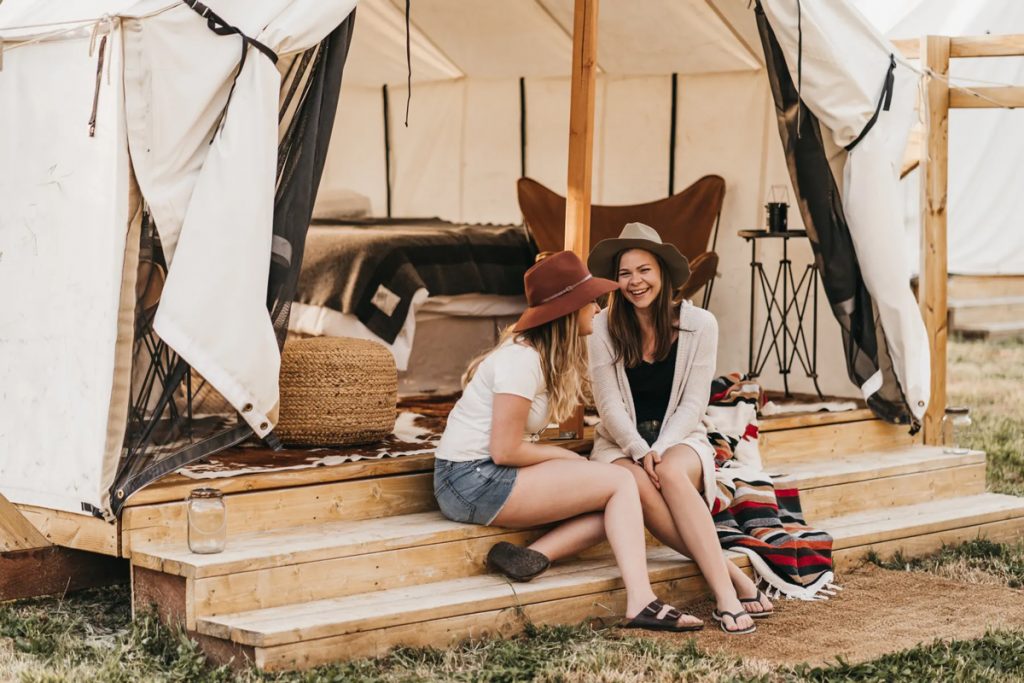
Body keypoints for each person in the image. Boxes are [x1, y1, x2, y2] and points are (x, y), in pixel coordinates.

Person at [433, 250, 704, 632]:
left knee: (615, 502)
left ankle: (531, 556)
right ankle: (642, 600)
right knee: (619, 482)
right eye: (589, 300)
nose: (597, 308)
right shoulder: (520, 361)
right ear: (567, 309)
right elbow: (504, 450)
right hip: (470, 480)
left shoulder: (542, 356)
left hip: (484, 475)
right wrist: (570, 462)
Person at [585, 222, 773, 635]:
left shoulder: (701, 324)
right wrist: (639, 449)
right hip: (621, 441)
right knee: (637, 484)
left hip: (680, 435)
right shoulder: (601, 327)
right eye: (624, 273)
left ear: (663, 272)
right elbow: (608, 406)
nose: (635, 282)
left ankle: (724, 597)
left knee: (670, 472)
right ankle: (734, 580)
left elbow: (693, 403)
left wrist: (662, 447)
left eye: (644, 270)